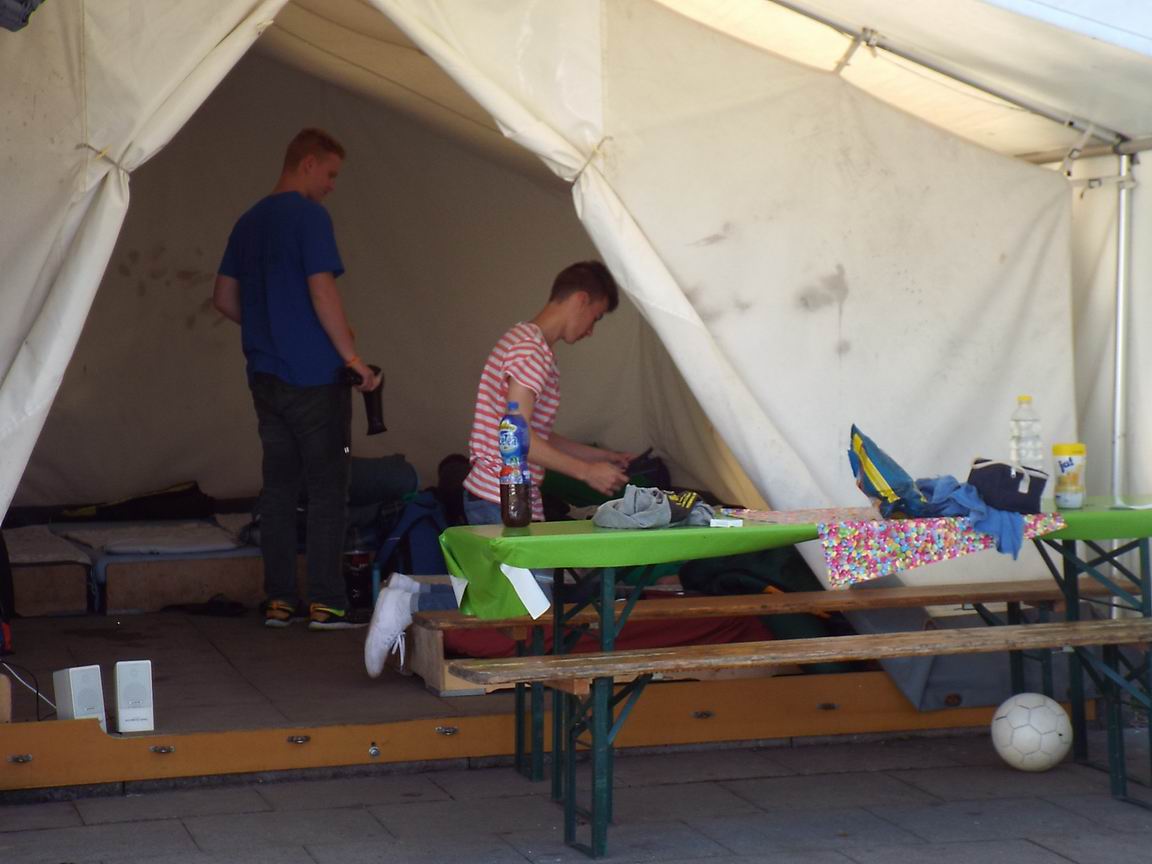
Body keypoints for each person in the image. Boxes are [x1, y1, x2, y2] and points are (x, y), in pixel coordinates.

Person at [213, 128, 379, 630]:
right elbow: (322, 289)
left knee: (279, 490)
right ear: (307, 163)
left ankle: (279, 600)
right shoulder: (309, 217)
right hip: (315, 378)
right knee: (328, 490)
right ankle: (327, 602)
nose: (331, 186)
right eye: (330, 174)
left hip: (265, 377)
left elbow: (223, 298)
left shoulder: (248, 222)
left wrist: (270, 326)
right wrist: (353, 358)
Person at [462, 260, 633, 526]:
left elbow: (535, 434)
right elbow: (517, 437)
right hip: (503, 498)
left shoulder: (521, 339)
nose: (591, 331)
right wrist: (587, 472)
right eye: (595, 318)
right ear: (581, 300)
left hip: (498, 495)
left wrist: (602, 457)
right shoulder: (531, 351)